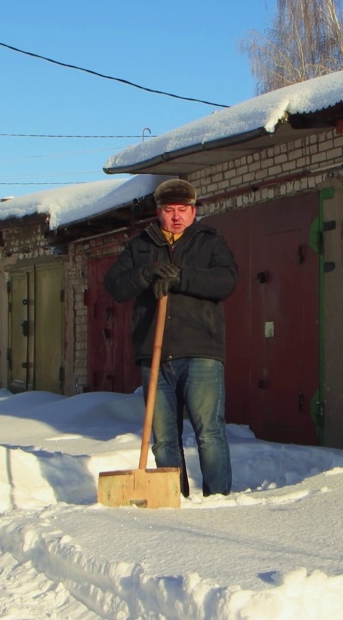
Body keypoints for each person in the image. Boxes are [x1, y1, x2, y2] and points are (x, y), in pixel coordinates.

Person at [103, 179, 238, 497]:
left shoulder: (209, 242)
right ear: (158, 212)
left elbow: (226, 281)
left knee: (209, 430)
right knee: (163, 436)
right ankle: (172, 497)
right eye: (169, 210)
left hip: (201, 350)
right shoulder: (141, 245)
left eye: (182, 210)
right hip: (154, 352)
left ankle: (218, 497)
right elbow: (115, 285)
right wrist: (146, 275)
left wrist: (180, 277)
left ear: (193, 211)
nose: (176, 217)